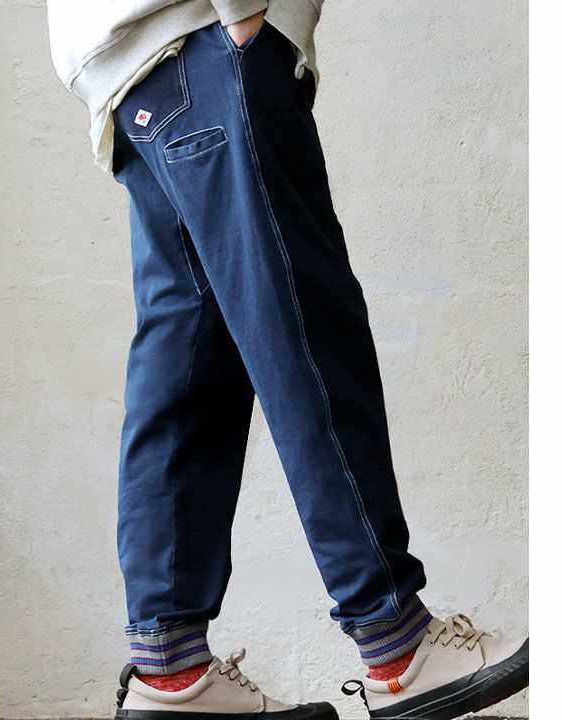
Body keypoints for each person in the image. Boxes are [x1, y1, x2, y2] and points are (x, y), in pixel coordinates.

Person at [45, 3, 529, 719]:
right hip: (209, 51)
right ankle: (398, 644)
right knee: (306, 337)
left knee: (189, 365)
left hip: (136, 77)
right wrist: (244, 21)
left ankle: (171, 672)